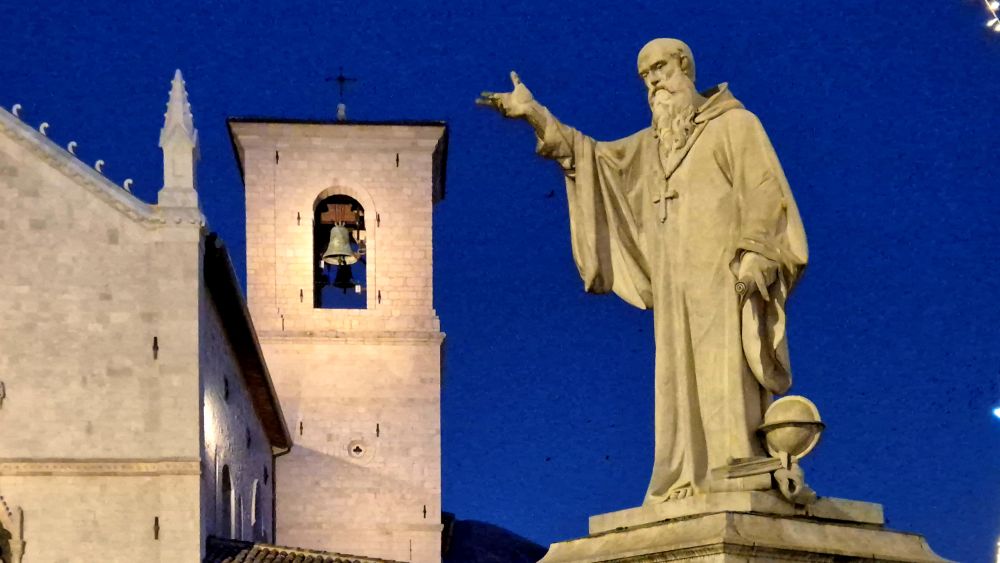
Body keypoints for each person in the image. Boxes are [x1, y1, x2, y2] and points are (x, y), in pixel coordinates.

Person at [477, 38, 808, 502]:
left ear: (685, 66)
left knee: (723, 369)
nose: (653, 80)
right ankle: (686, 475)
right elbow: (589, 157)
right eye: (644, 75)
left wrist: (756, 253)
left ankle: (734, 466)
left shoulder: (735, 125)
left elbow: (763, 191)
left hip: (722, 273)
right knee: (677, 377)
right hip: (674, 282)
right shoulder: (652, 147)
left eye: (659, 68)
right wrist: (535, 114)